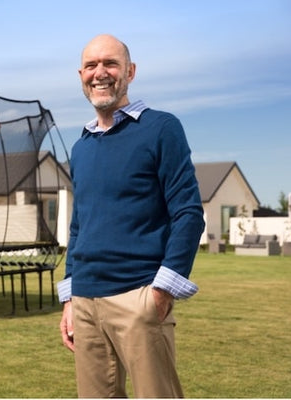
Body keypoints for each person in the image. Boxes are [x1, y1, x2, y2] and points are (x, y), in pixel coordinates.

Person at [58, 34, 205, 398]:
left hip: (139, 296)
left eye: (110, 64)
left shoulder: (161, 128)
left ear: (130, 71)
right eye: (91, 66)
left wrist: (161, 292)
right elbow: (80, 225)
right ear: (81, 75)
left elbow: (188, 211)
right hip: (86, 301)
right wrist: (69, 298)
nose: (100, 73)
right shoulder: (81, 147)